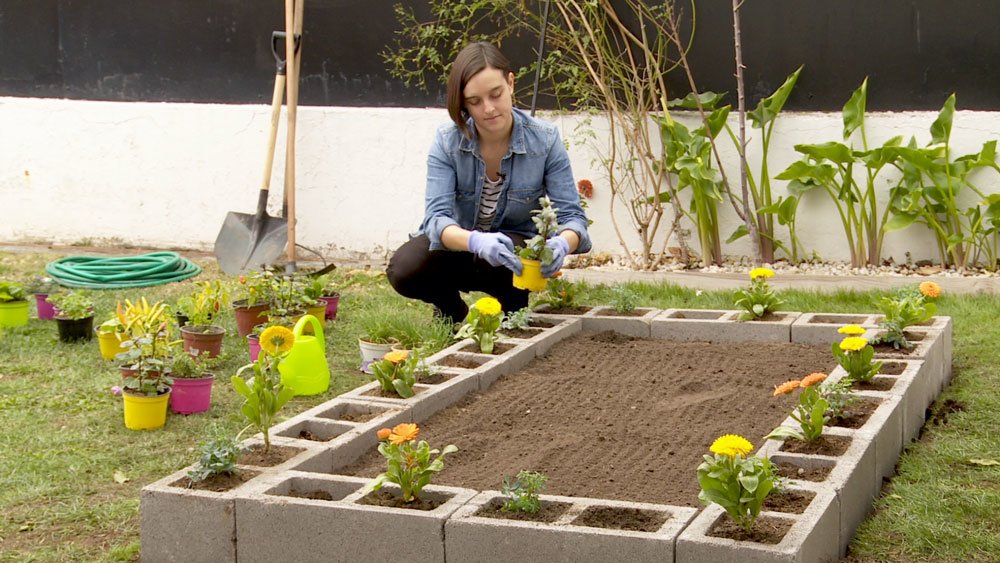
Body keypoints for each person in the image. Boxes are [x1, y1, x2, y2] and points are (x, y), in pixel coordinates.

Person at [387, 42, 591, 324]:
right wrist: (475, 240)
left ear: (510, 83)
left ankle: (511, 304)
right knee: (404, 268)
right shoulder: (447, 142)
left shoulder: (545, 140)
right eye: (474, 101)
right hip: (458, 247)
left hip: (510, 259)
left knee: (511, 294)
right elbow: (436, 219)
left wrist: (561, 244)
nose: (489, 108)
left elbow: (574, 217)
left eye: (495, 94)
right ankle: (450, 308)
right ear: (462, 103)